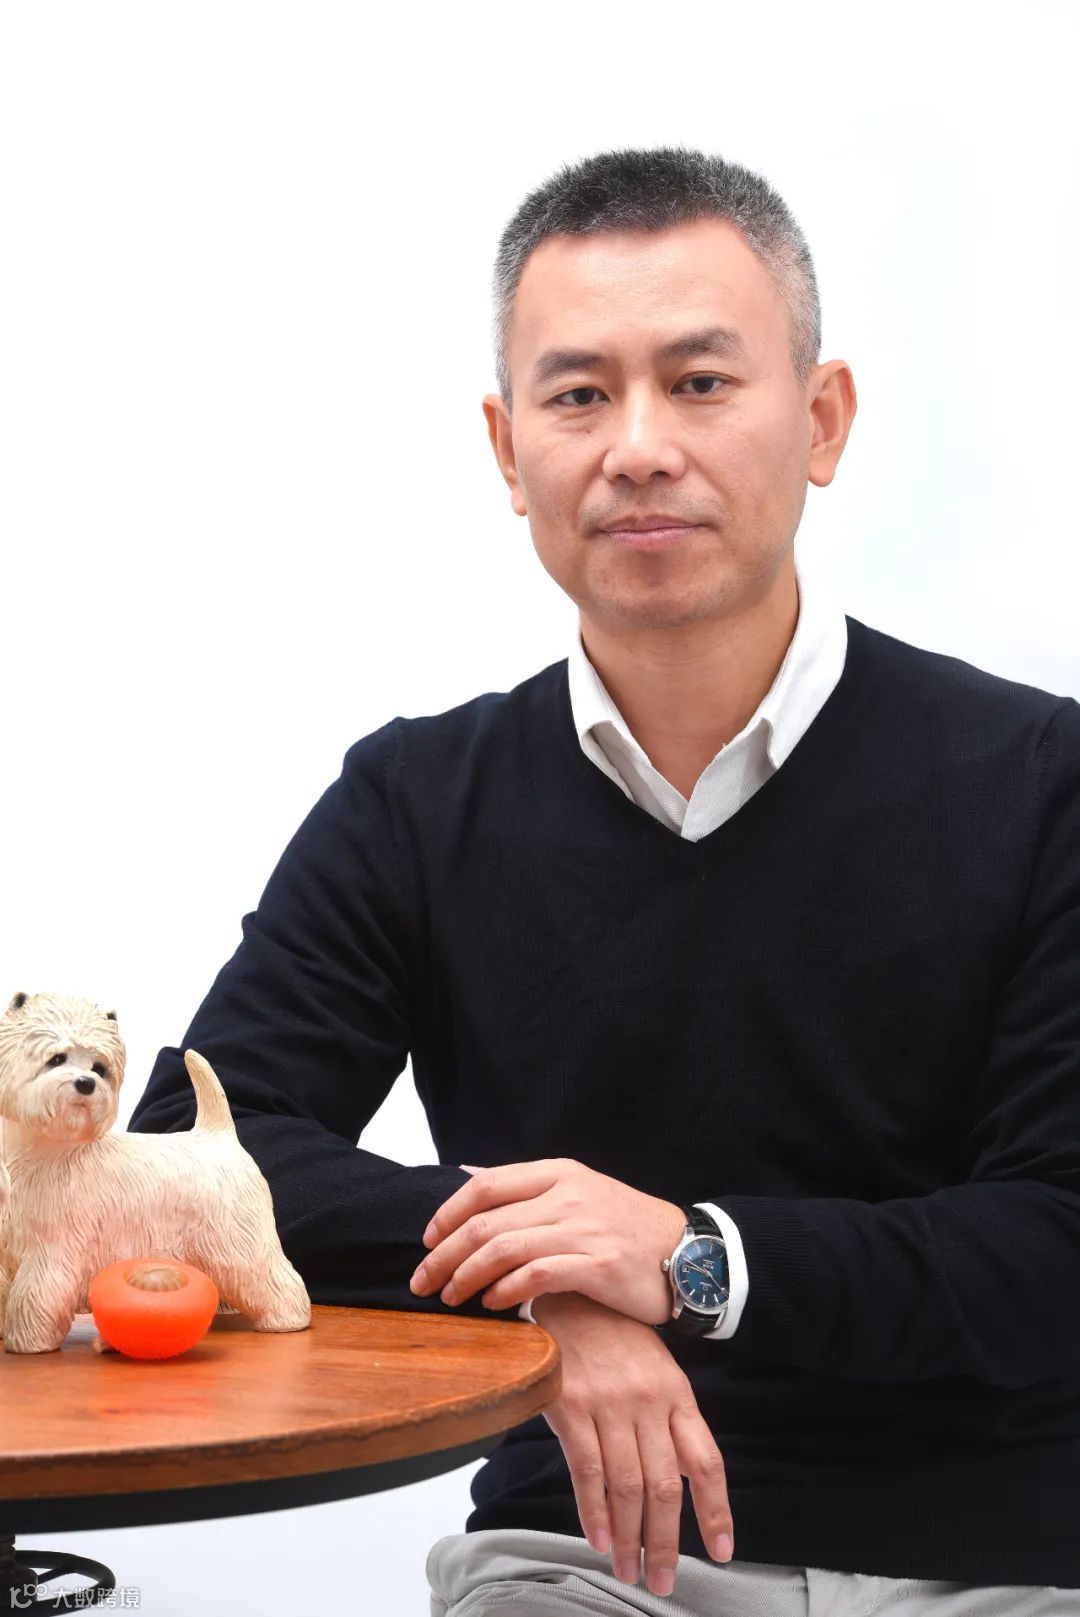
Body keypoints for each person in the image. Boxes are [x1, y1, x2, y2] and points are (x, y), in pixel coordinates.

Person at [128, 145, 1080, 1614]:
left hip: (1001, 1562)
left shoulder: (1042, 779)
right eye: (579, 396)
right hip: (589, 1562)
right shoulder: (413, 801)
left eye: (699, 382)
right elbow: (190, 1156)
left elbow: (1053, 1235)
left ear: (822, 421)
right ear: (510, 454)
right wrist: (550, 1281)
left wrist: (692, 1259)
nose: (638, 447)